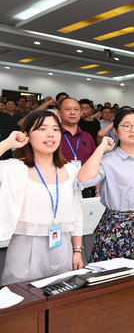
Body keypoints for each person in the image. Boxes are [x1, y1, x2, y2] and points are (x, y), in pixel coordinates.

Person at [0, 111, 84, 284]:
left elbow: (77, 212)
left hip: (62, 244)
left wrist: (77, 250)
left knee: (61, 295)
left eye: (55, 129)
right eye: (42, 129)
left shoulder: (70, 170)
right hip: (25, 246)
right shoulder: (14, 168)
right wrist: (8, 143)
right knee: (24, 297)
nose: (50, 134)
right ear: (27, 136)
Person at [79, 109, 134, 262]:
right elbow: (83, 180)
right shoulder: (108, 160)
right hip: (114, 228)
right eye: (126, 126)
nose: (133, 130)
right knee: (111, 273)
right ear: (115, 131)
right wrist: (101, 148)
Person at [57, 98, 96, 198]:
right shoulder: (53, 135)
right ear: (58, 113)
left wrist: (98, 190)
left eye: (76, 109)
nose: (72, 113)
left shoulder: (87, 137)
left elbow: (95, 164)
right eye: (67, 109)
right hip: (58, 187)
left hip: (84, 188)